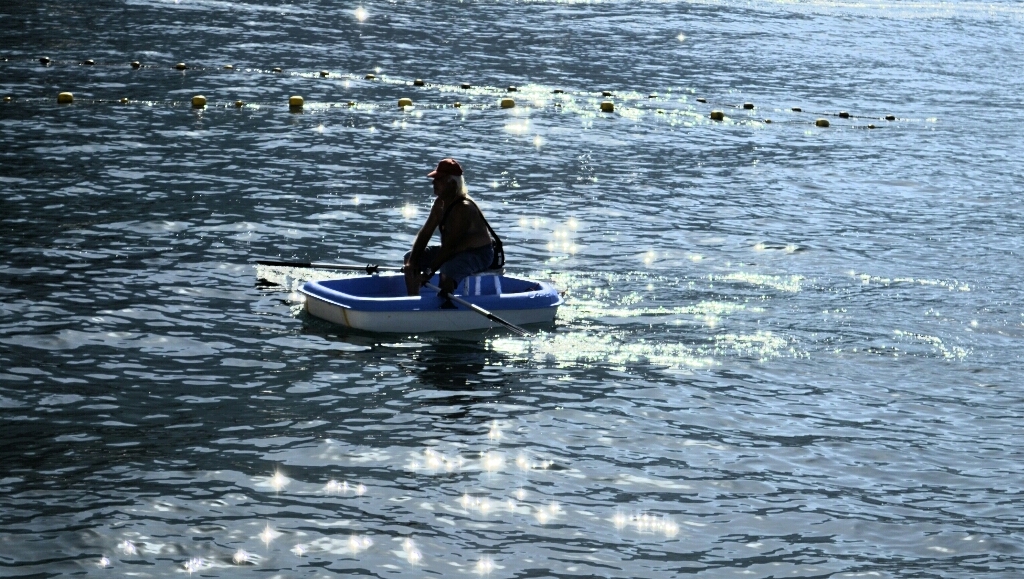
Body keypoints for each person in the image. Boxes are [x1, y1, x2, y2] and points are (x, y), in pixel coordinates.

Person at [404, 158, 498, 296]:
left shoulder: (463, 208)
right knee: (410, 257)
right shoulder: (439, 204)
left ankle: (445, 306)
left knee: (448, 270)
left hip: (479, 254)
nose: (433, 182)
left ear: (452, 184)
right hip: (453, 250)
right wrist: (412, 262)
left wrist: (429, 272)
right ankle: (411, 301)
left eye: (439, 179)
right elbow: (425, 233)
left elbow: (450, 248)